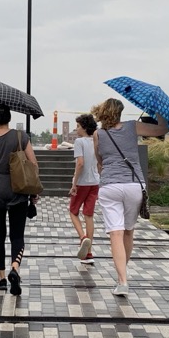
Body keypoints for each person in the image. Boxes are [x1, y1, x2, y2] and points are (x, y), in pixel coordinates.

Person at [91, 97, 169, 297]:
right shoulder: (132, 126)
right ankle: (121, 275)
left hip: (110, 186)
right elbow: (161, 130)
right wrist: (157, 110)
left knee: (115, 234)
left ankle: (122, 280)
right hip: (134, 184)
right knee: (128, 232)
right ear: (119, 113)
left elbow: (100, 161)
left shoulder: (98, 134)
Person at [0, 103, 37, 295]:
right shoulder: (20, 136)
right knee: (17, 236)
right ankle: (15, 268)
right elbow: (33, 163)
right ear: (9, 118)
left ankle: (1, 277)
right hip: (17, 191)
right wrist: (33, 192)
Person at [68, 113, 100, 264]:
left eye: (78, 126)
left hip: (82, 183)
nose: (76, 129)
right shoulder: (97, 141)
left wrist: (74, 184)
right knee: (89, 215)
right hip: (95, 182)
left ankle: (83, 238)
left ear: (84, 127)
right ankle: (88, 253)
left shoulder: (79, 142)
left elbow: (80, 163)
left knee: (73, 212)